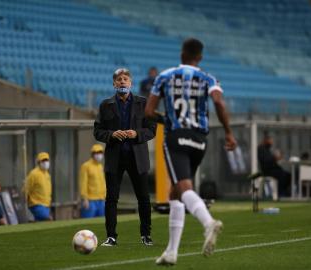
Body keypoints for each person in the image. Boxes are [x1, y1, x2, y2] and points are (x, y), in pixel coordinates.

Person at [145, 38, 237, 265]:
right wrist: (228, 132)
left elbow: (148, 112)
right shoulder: (209, 78)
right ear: (200, 57)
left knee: (183, 187)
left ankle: (208, 223)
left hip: (176, 137)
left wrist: (165, 120)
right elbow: (219, 104)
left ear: (181, 54)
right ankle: (171, 252)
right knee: (176, 192)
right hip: (199, 140)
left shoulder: (165, 77)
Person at [94, 68, 156, 246]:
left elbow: (152, 129)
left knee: (143, 198)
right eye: (119, 79)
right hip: (115, 157)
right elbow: (97, 131)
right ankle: (111, 236)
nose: (122, 82)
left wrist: (135, 134)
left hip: (138, 157)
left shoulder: (143, 104)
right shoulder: (105, 105)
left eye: (125, 79)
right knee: (111, 198)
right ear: (114, 83)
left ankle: (146, 235)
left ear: (131, 83)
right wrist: (112, 135)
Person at [79, 144, 106, 218]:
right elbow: (83, 183)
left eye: (100, 152)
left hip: (101, 200)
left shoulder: (100, 166)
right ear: (92, 154)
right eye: (96, 153)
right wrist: (85, 199)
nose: (98, 155)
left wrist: (105, 197)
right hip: (90, 200)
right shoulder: (86, 166)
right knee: (88, 223)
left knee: (101, 223)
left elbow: (103, 183)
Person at [24, 152, 52, 221]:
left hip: (46, 204)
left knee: (40, 223)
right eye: (43, 160)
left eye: (47, 160)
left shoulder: (47, 175)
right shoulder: (34, 174)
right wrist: (25, 202)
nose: (45, 162)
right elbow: (26, 188)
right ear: (39, 162)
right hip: (36, 204)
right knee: (47, 219)